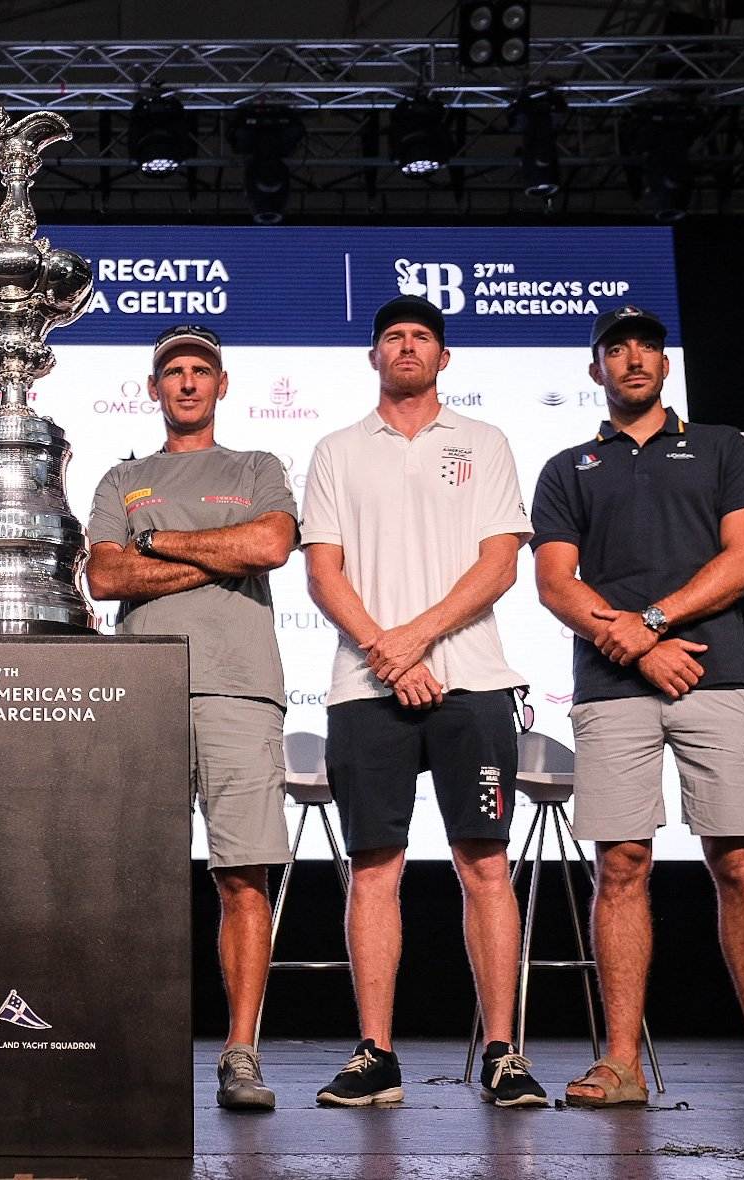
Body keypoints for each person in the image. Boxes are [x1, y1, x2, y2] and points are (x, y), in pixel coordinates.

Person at [530, 305, 744, 1114]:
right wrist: (634, 645)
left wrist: (653, 624)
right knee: (620, 868)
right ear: (596, 369)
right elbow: (556, 583)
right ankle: (621, 1063)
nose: (633, 359)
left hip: (716, 677)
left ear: (666, 365)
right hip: (611, 688)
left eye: (647, 348)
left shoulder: (727, 446)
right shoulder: (568, 464)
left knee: (740, 864)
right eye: (616, 349)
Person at [300, 295, 547, 1109]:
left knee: (485, 863)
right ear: (373, 356)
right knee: (374, 869)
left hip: (471, 684)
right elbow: (323, 572)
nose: (407, 346)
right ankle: (376, 1054)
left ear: (445, 358)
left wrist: (412, 639)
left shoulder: (484, 443)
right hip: (364, 690)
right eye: (393, 337)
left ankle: (504, 1053)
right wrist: (386, 650)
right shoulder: (337, 450)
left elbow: (499, 565)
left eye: (422, 337)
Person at [86, 323, 298, 1112]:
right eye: (171, 372)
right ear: (153, 388)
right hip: (140, 689)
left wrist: (163, 542)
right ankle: (136, 1046)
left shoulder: (257, 466)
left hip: (240, 688)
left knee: (243, 876)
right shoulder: (122, 477)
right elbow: (106, 577)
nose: (185, 383)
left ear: (221, 385)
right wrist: (218, 552)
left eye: (198, 371)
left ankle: (240, 1052)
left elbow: (273, 545)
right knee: (138, 880)